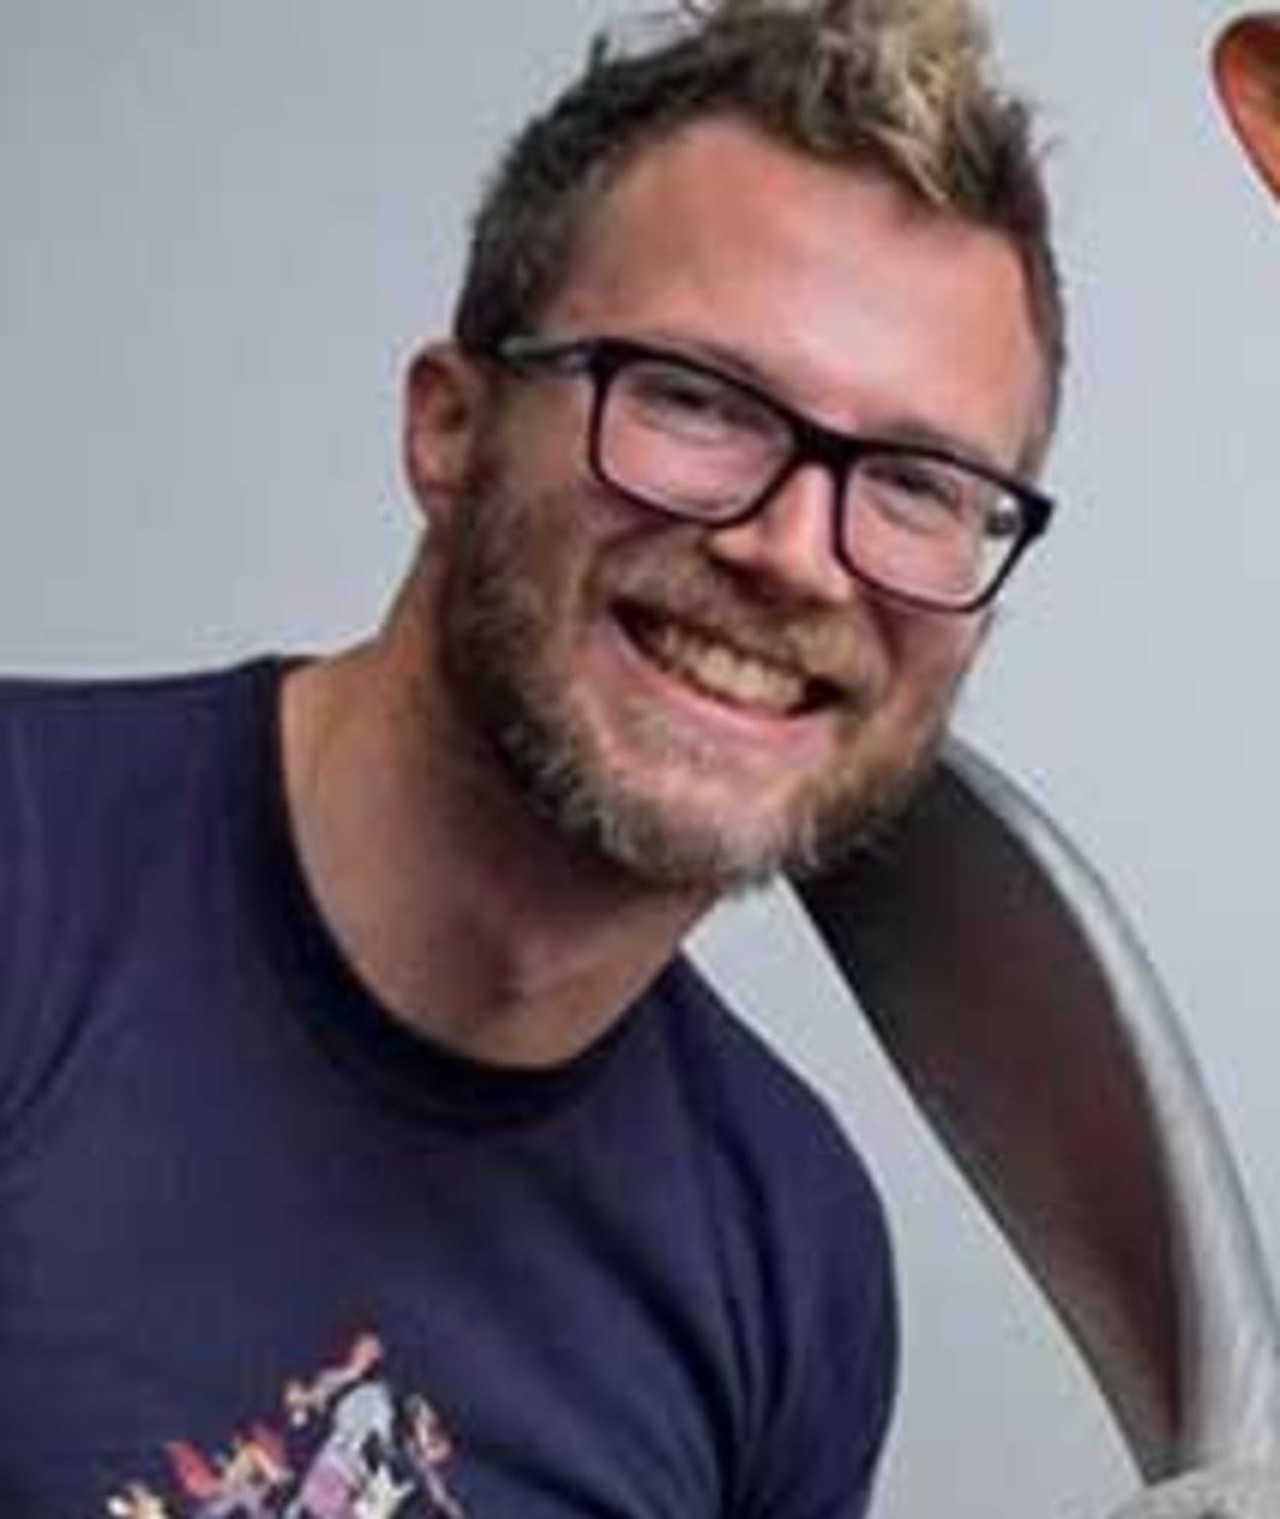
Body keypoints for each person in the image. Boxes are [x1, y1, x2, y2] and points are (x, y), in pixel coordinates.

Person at [0, 0, 1063, 1514]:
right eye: (697, 399)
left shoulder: (788, 1262)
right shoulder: (28, 879)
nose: (794, 552)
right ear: (452, 426)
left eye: (915, 484)